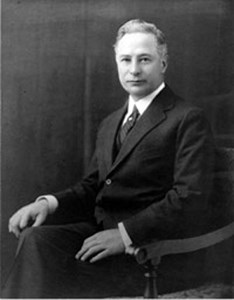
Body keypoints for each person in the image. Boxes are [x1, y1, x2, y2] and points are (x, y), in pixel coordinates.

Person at [2, 19, 215, 298]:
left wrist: (125, 234)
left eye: (145, 59)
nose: (134, 69)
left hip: (149, 251)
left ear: (163, 63)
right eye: (126, 59)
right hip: (101, 235)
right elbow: (94, 186)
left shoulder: (187, 118)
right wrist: (48, 203)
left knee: (47, 271)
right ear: (117, 63)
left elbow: (190, 196)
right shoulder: (111, 122)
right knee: (35, 238)